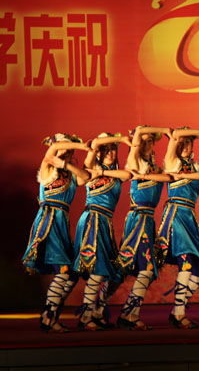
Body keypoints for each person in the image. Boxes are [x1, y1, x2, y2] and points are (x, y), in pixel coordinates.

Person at [22, 133, 91, 333]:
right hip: (49, 220)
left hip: (61, 222)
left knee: (72, 274)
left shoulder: (69, 172)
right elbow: (51, 153)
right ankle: (48, 317)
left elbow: (85, 177)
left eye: (70, 151)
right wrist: (80, 147)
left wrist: (67, 164)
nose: (68, 152)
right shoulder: (47, 167)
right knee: (63, 271)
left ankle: (51, 314)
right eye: (64, 149)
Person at [155, 127, 199, 329]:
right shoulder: (173, 162)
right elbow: (173, 143)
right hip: (176, 215)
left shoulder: (196, 166)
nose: (186, 146)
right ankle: (179, 313)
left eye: (189, 142)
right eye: (182, 142)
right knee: (186, 263)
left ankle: (176, 309)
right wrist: (176, 136)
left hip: (190, 217)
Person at [72, 133, 132, 331]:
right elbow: (94, 149)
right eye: (106, 150)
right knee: (97, 270)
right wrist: (119, 140)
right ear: (98, 152)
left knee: (117, 273)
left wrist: (103, 172)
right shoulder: (90, 169)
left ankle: (97, 311)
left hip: (105, 223)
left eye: (113, 150)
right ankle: (85, 316)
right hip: (92, 220)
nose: (110, 153)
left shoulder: (115, 173)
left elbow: (127, 175)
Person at [112, 126, 164, 331]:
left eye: (150, 141)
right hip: (138, 219)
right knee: (145, 269)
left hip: (148, 220)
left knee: (125, 270)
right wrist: (138, 136)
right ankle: (128, 314)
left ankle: (99, 310)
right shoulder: (134, 162)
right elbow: (136, 145)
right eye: (142, 141)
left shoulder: (155, 167)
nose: (146, 144)